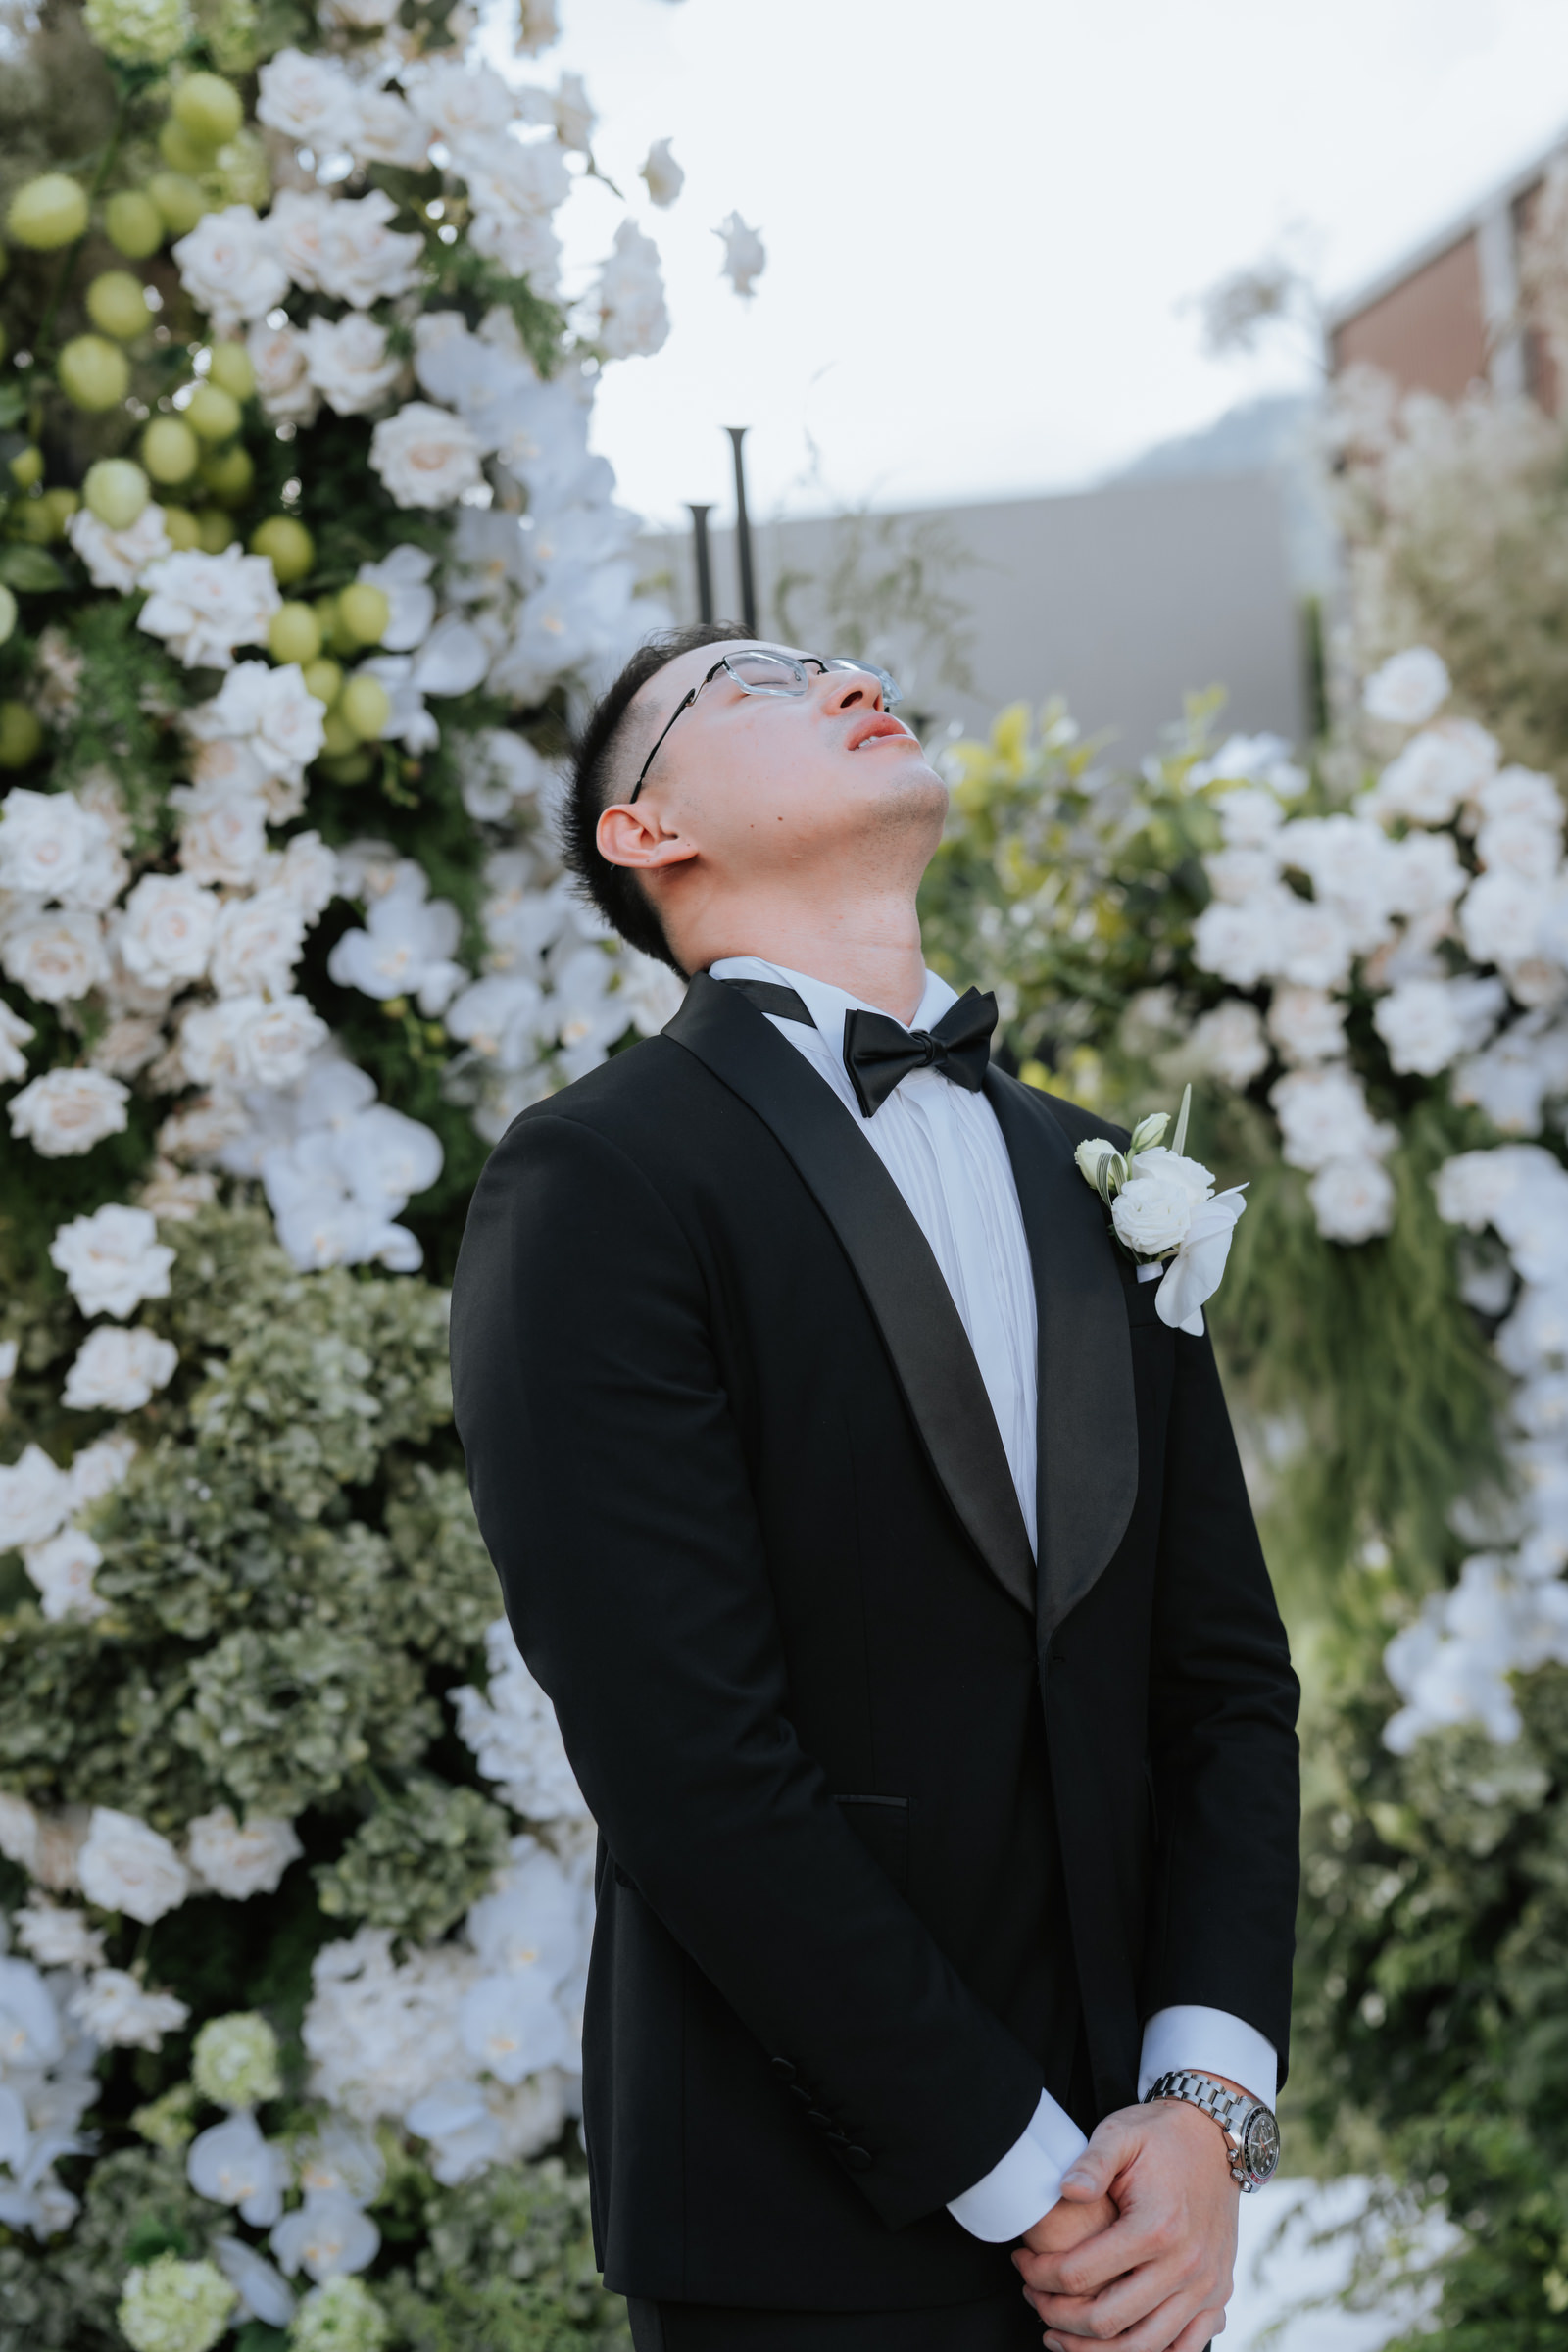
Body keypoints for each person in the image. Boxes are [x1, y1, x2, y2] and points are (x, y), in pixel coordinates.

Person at [449, 623, 1300, 2352]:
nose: (842, 680)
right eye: (756, 684)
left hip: (1155, 2239)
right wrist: (1030, 2172)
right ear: (647, 832)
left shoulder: (1099, 1168)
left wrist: (1205, 2120)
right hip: (803, 2235)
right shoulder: (596, 1181)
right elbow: (688, 1761)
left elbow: (1222, 1691)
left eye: (841, 661)